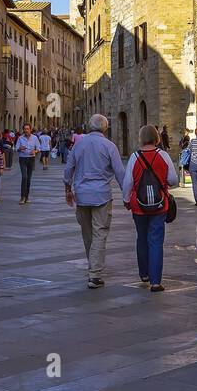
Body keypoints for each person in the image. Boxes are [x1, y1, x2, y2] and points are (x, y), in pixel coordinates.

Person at [63, 114, 124, 289]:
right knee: (100, 233)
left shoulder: (78, 145)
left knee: (88, 233)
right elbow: (120, 173)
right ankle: (95, 274)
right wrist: (127, 195)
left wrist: (68, 189)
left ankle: (93, 267)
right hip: (101, 196)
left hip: (81, 195)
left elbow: (69, 169)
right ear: (105, 128)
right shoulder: (109, 146)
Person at [120, 124, 177, 292]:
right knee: (156, 242)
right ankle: (156, 282)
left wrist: (126, 200)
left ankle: (144, 274)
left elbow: (128, 182)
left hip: (139, 205)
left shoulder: (134, 157)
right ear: (156, 138)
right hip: (159, 205)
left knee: (142, 238)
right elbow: (173, 180)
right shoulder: (164, 156)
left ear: (141, 139)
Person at [15, 123, 41, 203]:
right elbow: (16, 148)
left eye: (27, 129)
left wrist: (35, 151)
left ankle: (27, 196)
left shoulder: (35, 138)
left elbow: (39, 148)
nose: (26, 130)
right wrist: (20, 148)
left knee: (28, 179)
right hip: (22, 159)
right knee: (24, 177)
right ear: (23, 130)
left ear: (30, 130)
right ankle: (22, 197)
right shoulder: (20, 138)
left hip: (31, 159)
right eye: (25, 129)